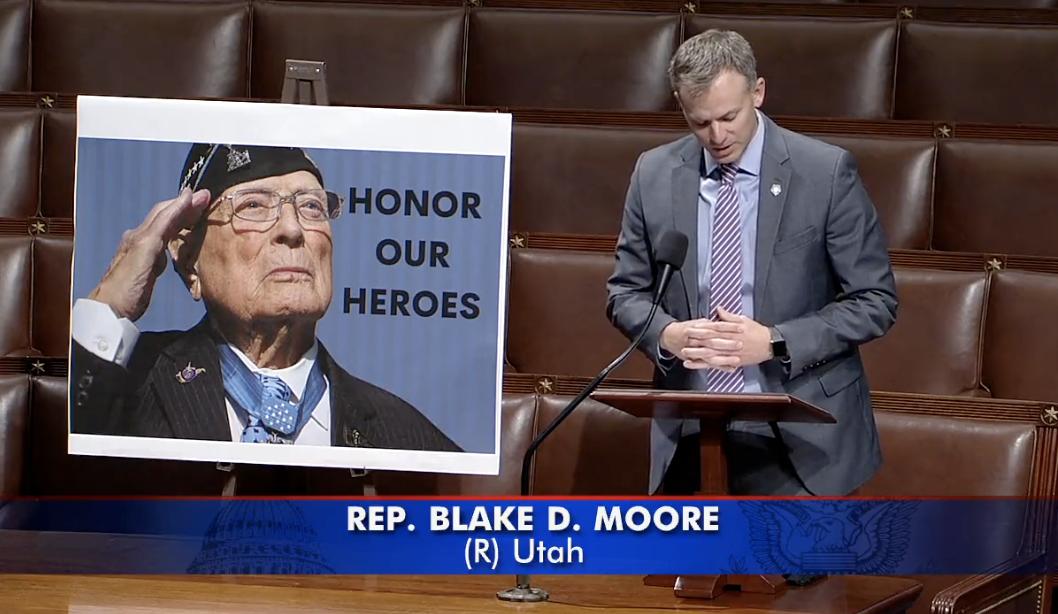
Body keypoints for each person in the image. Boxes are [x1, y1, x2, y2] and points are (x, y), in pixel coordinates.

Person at [606, 30, 897, 496]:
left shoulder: (824, 173)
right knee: (673, 567)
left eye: (729, 116)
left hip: (800, 438)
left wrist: (776, 341)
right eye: (700, 122)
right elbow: (625, 293)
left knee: (774, 563)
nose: (717, 136)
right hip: (692, 426)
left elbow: (875, 301)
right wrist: (667, 335)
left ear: (757, 92)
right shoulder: (654, 173)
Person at [71, 143, 461, 452]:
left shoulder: (407, 436)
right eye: (253, 206)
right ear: (189, 262)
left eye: (312, 207)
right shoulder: (122, 387)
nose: (292, 229)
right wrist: (110, 303)